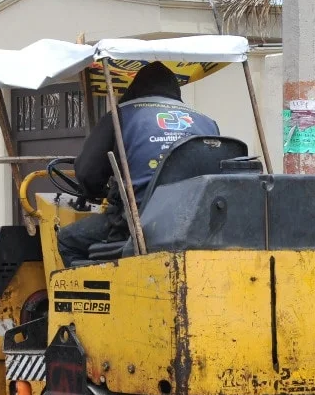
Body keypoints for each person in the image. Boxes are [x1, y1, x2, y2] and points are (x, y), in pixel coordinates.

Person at [56, 62, 219, 266]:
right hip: (196, 223)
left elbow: (88, 173)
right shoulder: (206, 122)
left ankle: (100, 293)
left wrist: (93, 190)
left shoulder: (120, 116)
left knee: (68, 239)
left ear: (135, 88)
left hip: (137, 223)